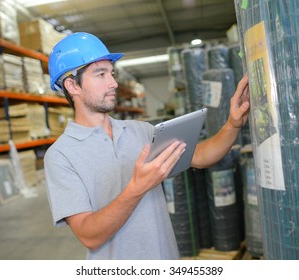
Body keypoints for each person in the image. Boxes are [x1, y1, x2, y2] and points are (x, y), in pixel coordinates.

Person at [44, 32, 250, 260]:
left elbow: (200, 156)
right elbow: (89, 235)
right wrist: (138, 187)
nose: (113, 83)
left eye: (111, 73)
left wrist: (233, 124)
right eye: (100, 74)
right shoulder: (61, 155)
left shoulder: (140, 131)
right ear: (72, 85)